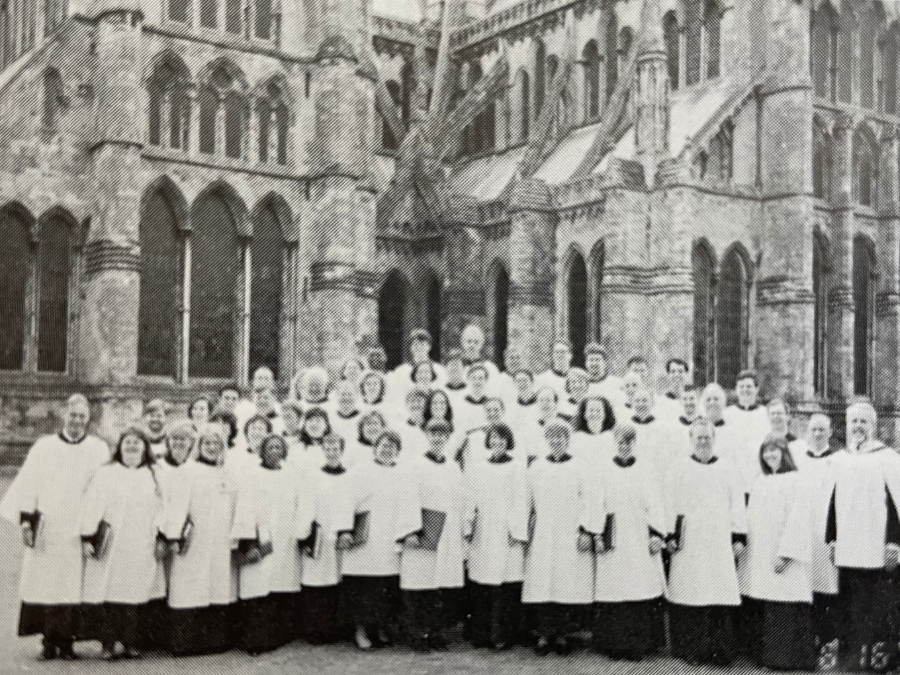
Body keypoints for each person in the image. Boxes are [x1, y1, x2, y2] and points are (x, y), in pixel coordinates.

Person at [0, 394, 109, 660]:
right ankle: (48, 642)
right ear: (64, 415)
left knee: (74, 585)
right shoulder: (44, 446)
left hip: (78, 527)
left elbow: (105, 489)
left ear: (88, 419)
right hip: (49, 526)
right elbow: (28, 483)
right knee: (46, 583)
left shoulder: (98, 449)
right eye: (73, 415)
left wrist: (95, 529)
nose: (77, 421)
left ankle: (68, 643)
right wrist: (26, 521)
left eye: (82, 416)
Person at [512, 422, 602, 656]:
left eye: (561, 437)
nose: (556, 441)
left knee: (564, 584)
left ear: (568, 439)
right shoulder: (537, 468)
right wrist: (523, 533)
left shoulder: (580, 467)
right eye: (552, 437)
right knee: (542, 585)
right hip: (542, 533)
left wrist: (585, 530)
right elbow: (525, 502)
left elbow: (589, 500)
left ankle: (561, 634)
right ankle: (544, 634)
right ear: (546, 440)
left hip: (568, 533)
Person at [78, 428, 166, 661]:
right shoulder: (106, 473)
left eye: (137, 443)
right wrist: (87, 537)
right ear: (119, 446)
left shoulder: (154, 474)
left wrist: (162, 537)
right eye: (127, 442)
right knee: (109, 592)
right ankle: (108, 644)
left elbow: (164, 509)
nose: (132, 447)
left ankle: (130, 642)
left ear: (145, 448)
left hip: (141, 543)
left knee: (135, 594)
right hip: (112, 544)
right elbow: (92, 505)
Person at [665, 416, 746, 666]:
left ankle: (718, 650)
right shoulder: (678, 468)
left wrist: (739, 536)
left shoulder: (728, 468)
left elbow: (737, 505)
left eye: (707, 437)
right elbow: (669, 505)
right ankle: (692, 649)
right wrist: (670, 535)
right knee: (691, 593)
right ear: (690, 440)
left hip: (719, 543)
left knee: (717, 593)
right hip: (688, 543)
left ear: (714, 439)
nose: (703, 441)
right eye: (698, 437)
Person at [826, 401, 900, 673]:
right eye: (853, 421)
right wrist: (832, 540)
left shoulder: (888, 458)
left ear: (873, 425)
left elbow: (896, 504)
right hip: (848, 548)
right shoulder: (840, 459)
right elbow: (832, 503)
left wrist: (894, 544)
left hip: (877, 549)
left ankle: (876, 662)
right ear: (847, 425)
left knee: (876, 608)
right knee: (848, 606)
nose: (858, 427)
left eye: (863, 422)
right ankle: (850, 661)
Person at [591, 424, 667, 661]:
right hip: (612, 537)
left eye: (628, 442)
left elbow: (655, 504)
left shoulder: (646, 469)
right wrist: (596, 534)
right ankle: (614, 644)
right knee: (615, 589)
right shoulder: (603, 469)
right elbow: (596, 503)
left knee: (639, 587)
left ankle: (639, 644)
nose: (624, 446)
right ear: (614, 443)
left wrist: (657, 534)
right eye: (620, 442)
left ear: (635, 443)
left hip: (639, 537)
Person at [740, 436, 815, 670]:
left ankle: (782, 660)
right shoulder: (761, 481)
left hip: (782, 555)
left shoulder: (796, 480)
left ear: (785, 453)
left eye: (775, 450)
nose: (770, 455)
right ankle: (762, 656)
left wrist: (786, 554)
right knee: (765, 604)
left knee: (783, 606)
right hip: (760, 553)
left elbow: (799, 519)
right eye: (766, 451)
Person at [163, 426, 239, 656]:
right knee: (189, 587)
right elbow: (177, 505)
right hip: (193, 540)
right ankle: (185, 642)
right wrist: (174, 535)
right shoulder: (188, 470)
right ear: (199, 446)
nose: (212, 448)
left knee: (217, 587)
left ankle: (214, 641)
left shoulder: (227, 474)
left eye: (217, 444)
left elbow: (235, 507)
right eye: (207, 443)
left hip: (219, 542)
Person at [342, 431, 420, 650]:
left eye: (393, 446)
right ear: (375, 447)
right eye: (384, 445)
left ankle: (381, 629)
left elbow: (410, 503)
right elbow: (346, 499)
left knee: (385, 586)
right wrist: (345, 529)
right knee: (364, 586)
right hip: (366, 538)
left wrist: (410, 531)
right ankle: (361, 631)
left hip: (390, 538)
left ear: (398, 451)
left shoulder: (403, 473)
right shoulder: (361, 471)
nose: (388, 450)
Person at [231, 435, 306, 654]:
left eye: (278, 447)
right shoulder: (252, 475)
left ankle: (278, 636)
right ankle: (255, 640)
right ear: (262, 451)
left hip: (285, 541)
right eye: (269, 447)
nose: (274, 450)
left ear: (284, 451)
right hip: (261, 539)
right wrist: (249, 541)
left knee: (280, 588)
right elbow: (244, 508)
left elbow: (298, 506)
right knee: (258, 588)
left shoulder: (291, 476)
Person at [400, 420, 466, 652]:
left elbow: (458, 499)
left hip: (446, 531)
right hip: (422, 530)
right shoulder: (416, 464)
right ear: (427, 436)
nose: (438, 438)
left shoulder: (453, 467)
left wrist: (461, 530)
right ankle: (417, 633)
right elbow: (408, 497)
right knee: (419, 584)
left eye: (442, 434)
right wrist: (411, 530)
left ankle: (435, 631)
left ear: (448, 437)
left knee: (438, 585)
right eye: (433, 434)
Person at [464, 424, 526, 649]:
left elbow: (522, 499)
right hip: (484, 530)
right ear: (488, 441)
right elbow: (471, 497)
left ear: (508, 441)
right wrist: (468, 525)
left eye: (502, 439)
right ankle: (481, 634)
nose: (498, 442)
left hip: (506, 531)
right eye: (494, 438)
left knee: (505, 585)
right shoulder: (479, 467)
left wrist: (516, 530)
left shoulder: (517, 467)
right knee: (482, 582)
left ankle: (502, 635)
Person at [793, 413, 845, 659]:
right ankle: (806, 643)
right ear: (807, 432)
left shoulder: (838, 462)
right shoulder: (798, 461)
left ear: (831, 432)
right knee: (805, 588)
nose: (817, 434)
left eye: (822, 430)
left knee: (827, 587)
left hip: (826, 536)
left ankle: (827, 642)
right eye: (813, 429)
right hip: (804, 533)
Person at [297, 433, 355, 645]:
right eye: (328, 447)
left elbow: (351, 506)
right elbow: (305, 508)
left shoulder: (349, 477)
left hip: (339, 539)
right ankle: (315, 630)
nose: (332, 451)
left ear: (341, 450)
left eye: (336, 447)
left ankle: (335, 629)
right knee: (316, 584)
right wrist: (305, 537)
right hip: (318, 537)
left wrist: (346, 531)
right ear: (322, 450)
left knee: (337, 583)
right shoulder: (313, 476)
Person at [724, 370, 772, 498]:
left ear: (757, 389)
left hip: (759, 477)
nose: (745, 390)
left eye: (749, 386)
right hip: (734, 476)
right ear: (736, 389)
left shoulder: (766, 414)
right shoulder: (727, 414)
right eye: (741, 386)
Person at [630, 389, 678, 491]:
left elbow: (667, 456)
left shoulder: (662, 427)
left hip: (656, 479)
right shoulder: (628, 427)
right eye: (637, 401)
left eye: (644, 400)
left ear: (652, 403)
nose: (641, 404)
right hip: (633, 479)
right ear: (633, 403)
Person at [388, 329, 447, 397]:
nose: (419, 348)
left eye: (422, 344)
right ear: (411, 347)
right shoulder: (401, 371)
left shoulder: (439, 370)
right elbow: (397, 394)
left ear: (429, 346)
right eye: (415, 345)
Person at [570, 396, 616, 473]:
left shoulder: (613, 438)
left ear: (605, 414)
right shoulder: (576, 438)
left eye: (598, 410)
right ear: (584, 414)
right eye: (591, 410)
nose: (594, 414)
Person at [290, 407, 331, 474]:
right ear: (304, 426)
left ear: (326, 426)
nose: (314, 424)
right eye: (310, 420)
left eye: (318, 421)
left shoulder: (333, 447)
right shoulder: (295, 448)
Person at [329, 382, 363, 459]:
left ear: (356, 397)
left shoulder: (363, 418)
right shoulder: (330, 418)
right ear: (336, 397)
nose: (346, 398)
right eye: (343, 394)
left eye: (350, 394)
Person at [656, 359, 690, 423]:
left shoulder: (692, 400)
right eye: (673, 371)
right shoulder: (661, 401)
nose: (677, 375)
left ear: (686, 374)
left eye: (680, 371)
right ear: (668, 375)